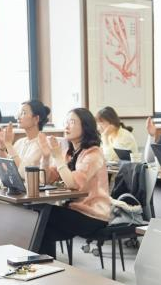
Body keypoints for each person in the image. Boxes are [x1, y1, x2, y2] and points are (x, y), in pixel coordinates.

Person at [39, 108, 112, 257]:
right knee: (39, 229)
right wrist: (46, 157)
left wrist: (57, 156)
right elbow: (45, 179)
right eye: (66, 122)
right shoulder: (69, 153)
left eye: (72, 122)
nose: (66, 126)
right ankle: (42, 267)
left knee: (42, 214)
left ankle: (44, 266)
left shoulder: (94, 153)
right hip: (73, 210)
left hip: (93, 214)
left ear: (85, 126)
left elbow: (73, 184)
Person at [0, 100, 51, 171]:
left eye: (23, 113)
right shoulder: (19, 142)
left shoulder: (43, 144)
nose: (18, 117)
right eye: (19, 113)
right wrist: (2, 145)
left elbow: (23, 172)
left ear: (36, 119)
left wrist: (9, 145)